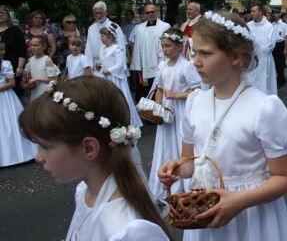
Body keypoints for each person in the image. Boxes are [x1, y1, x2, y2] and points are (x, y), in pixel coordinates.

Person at [158, 11, 287, 240]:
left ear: (235, 57)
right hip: (205, 209)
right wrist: (176, 169)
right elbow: (189, 162)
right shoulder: (195, 102)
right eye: (194, 52)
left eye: (206, 53)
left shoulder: (264, 107)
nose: (196, 61)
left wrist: (239, 201)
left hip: (251, 217)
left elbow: (283, 178)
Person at [18, 76, 173, 240]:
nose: (38, 157)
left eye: (46, 146)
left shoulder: (129, 231)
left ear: (89, 148)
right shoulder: (84, 192)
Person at [148, 28, 202, 200]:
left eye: (168, 46)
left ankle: (183, 181)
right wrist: (158, 106)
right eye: (163, 46)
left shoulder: (187, 67)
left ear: (179, 46)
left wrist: (176, 95)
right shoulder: (162, 66)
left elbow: (197, 91)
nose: (164, 49)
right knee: (165, 144)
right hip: (167, 112)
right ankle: (164, 179)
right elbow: (159, 88)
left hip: (181, 110)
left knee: (180, 143)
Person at [0, 40, 38, 166]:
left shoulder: (5, 64)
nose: (3, 52)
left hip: (5, 97)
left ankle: (14, 154)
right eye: (0, 50)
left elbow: (11, 83)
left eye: (3, 49)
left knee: (8, 125)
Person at [97, 26, 143, 127]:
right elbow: (103, 61)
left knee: (120, 99)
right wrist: (99, 64)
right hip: (105, 78)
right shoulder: (102, 48)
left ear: (110, 37)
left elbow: (120, 65)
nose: (101, 38)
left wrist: (109, 70)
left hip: (115, 78)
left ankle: (127, 121)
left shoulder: (117, 49)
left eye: (102, 36)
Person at [130, 3, 171, 102]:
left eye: (152, 12)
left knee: (161, 88)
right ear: (145, 14)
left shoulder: (165, 26)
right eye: (148, 12)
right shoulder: (139, 28)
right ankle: (147, 113)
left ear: (156, 12)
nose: (150, 14)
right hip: (146, 65)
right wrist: (138, 66)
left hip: (161, 62)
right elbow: (137, 49)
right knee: (145, 92)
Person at [246, 2, 278, 95]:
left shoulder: (269, 26)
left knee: (264, 84)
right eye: (251, 11)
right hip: (250, 60)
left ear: (260, 12)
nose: (251, 13)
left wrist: (256, 51)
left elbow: (271, 45)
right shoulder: (248, 25)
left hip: (264, 59)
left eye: (253, 11)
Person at [86, 1, 127, 71]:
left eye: (100, 13)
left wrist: (120, 67)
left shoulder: (114, 27)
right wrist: (89, 66)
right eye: (96, 13)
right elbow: (88, 49)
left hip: (112, 65)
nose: (98, 15)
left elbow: (121, 47)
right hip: (97, 65)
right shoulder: (91, 29)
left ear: (106, 12)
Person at [23, 35, 61, 101]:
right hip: (35, 90)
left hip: (45, 89)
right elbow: (26, 72)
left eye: (36, 45)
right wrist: (26, 76)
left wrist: (36, 79)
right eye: (31, 45)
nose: (33, 47)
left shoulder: (47, 60)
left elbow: (53, 78)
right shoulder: (31, 60)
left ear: (43, 46)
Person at [0, 5, 26, 97]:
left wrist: (20, 67)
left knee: (14, 92)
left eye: (3, 13)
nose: (0, 15)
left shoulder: (15, 30)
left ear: (8, 15)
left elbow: (22, 49)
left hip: (12, 66)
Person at [271, 10, 287, 88]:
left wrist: (285, 49)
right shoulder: (271, 25)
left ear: (279, 14)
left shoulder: (284, 25)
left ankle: (280, 80)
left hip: (281, 44)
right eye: (273, 14)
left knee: (281, 63)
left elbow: (286, 38)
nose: (273, 15)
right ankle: (282, 78)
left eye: (275, 13)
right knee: (275, 63)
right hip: (274, 45)